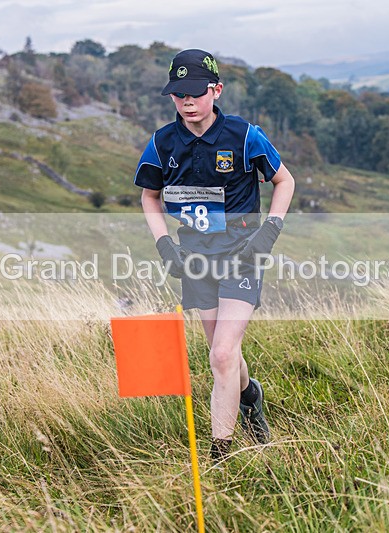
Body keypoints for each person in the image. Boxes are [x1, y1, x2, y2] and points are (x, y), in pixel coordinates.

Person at [133, 49, 295, 463]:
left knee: (222, 354)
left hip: (243, 254)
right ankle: (250, 395)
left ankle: (219, 456)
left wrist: (270, 231)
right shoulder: (161, 142)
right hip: (195, 260)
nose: (187, 102)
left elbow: (284, 180)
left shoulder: (244, 135)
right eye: (177, 94)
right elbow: (150, 197)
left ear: (215, 90)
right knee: (222, 356)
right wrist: (164, 244)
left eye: (195, 93)